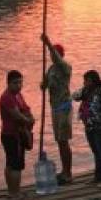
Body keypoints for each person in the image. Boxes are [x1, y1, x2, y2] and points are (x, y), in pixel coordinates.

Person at [41, 33, 74, 184]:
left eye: (55, 53)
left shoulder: (65, 67)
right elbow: (45, 85)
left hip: (64, 108)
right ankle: (63, 171)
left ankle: (68, 173)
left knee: (64, 140)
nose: (52, 56)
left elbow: (57, 58)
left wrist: (48, 42)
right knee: (59, 141)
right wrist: (43, 85)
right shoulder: (51, 69)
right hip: (54, 108)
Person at [0, 70, 35, 198]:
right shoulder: (7, 97)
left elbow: (26, 108)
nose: (19, 85)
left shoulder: (18, 95)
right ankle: (15, 193)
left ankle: (12, 191)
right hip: (11, 134)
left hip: (18, 133)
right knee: (15, 165)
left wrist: (30, 117)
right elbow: (17, 115)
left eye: (20, 82)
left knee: (11, 163)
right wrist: (28, 120)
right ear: (8, 83)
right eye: (15, 83)